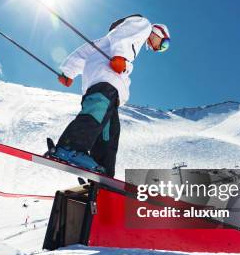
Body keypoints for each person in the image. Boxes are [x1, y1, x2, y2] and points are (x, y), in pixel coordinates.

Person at [50, 15, 170, 177]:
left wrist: (69, 71)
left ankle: (101, 170)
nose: (158, 48)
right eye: (163, 44)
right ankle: (69, 147)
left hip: (109, 88)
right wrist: (120, 55)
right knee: (96, 112)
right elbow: (124, 34)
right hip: (106, 80)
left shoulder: (108, 41)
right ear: (159, 33)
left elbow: (87, 51)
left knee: (109, 132)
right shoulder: (143, 25)